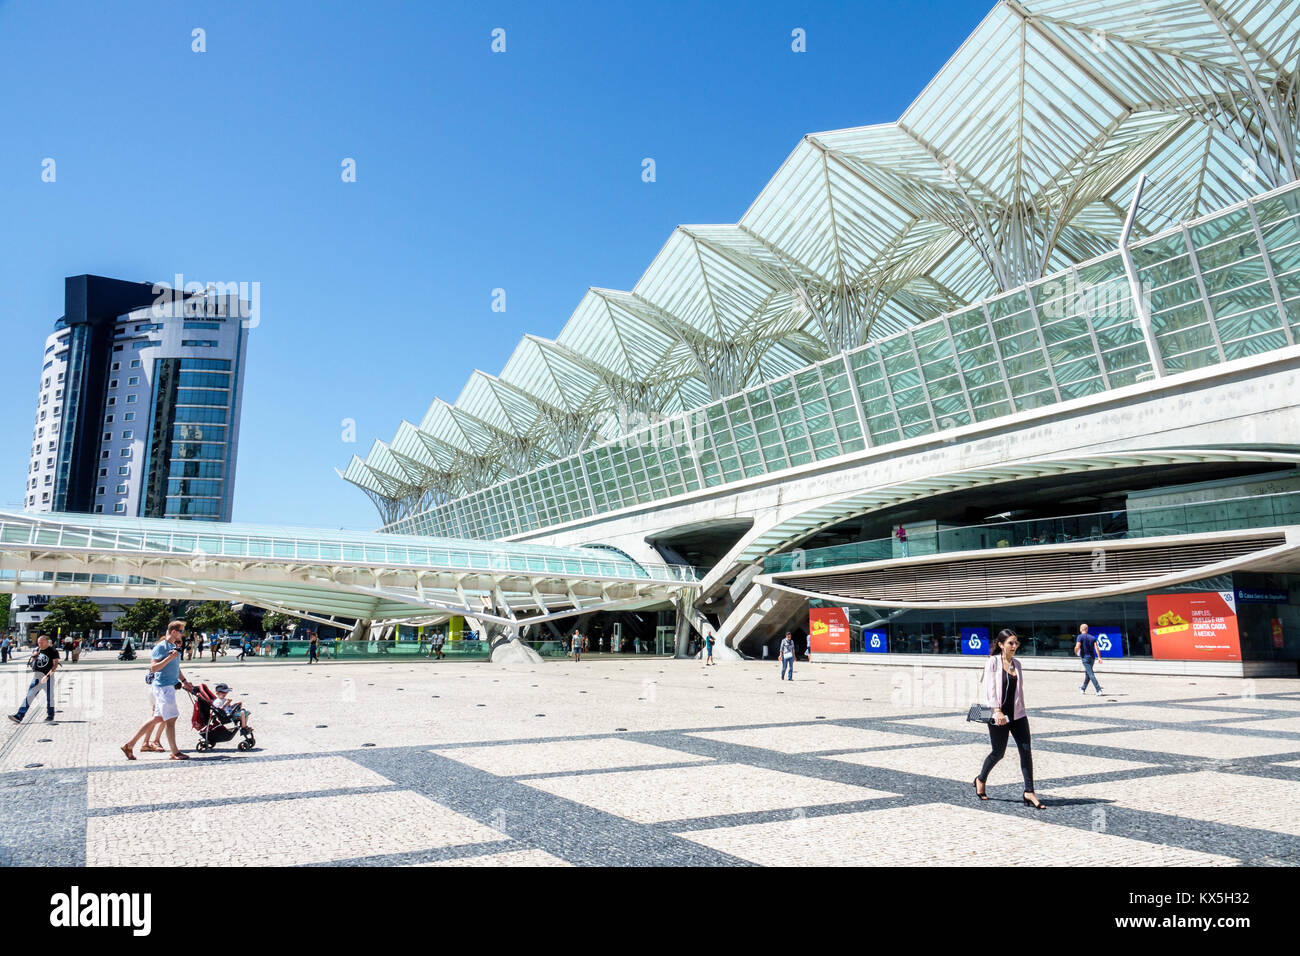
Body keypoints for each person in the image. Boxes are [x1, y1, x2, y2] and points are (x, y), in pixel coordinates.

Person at [973, 629, 1045, 809]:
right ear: (1001, 645)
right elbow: (989, 688)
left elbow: (1017, 691)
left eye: (1016, 643)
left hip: (1018, 714)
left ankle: (1029, 791)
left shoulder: (1018, 664)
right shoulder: (993, 662)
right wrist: (996, 711)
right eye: (1010, 643)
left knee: (1026, 751)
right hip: (998, 715)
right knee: (998, 752)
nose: (1014, 646)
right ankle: (980, 779)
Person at [121, 621, 194, 761]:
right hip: (163, 687)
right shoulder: (161, 647)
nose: (183, 634)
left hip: (169, 686)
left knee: (158, 718)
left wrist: (184, 681)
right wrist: (169, 657)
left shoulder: (173, 646)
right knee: (171, 719)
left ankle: (129, 745)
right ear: (173, 631)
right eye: (181, 631)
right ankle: (175, 752)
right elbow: (154, 668)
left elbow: (176, 667)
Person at [8, 634, 59, 724]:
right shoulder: (37, 649)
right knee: (29, 696)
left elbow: (55, 665)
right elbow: (33, 662)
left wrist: (47, 676)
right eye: (39, 642)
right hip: (36, 677)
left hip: (48, 677)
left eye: (42, 642)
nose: (40, 644)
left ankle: (50, 715)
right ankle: (19, 716)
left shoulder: (53, 651)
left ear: (47, 642)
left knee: (49, 697)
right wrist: (34, 656)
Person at [1074, 623, 1103, 696]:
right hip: (1092, 658)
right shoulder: (1092, 637)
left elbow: (1077, 646)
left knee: (1090, 674)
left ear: (1081, 629)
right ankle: (1083, 688)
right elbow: (1096, 648)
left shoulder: (1080, 637)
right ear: (1087, 629)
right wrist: (1099, 657)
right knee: (1088, 674)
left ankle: (1098, 690)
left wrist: (1076, 652)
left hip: (1085, 658)